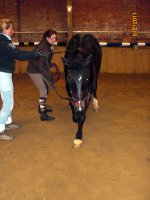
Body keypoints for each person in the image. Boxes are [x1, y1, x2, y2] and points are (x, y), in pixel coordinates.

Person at [0, 18, 47, 141]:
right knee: (8, 104)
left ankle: (8, 122)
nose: (13, 31)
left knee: (8, 101)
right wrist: (36, 54)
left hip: (4, 74)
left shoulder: (4, 41)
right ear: (5, 29)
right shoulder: (4, 43)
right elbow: (19, 55)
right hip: (3, 75)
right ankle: (0, 130)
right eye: (11, 29)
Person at [27, 29, 57, 121]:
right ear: (47, 38)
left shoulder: (48, 45)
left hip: (39, 68)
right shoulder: (44, 47)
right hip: (34, 70)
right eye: (52, 38)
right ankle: (43, 115)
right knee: (43, 89)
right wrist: (49, 77)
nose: (54, 40)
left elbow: (44, 62)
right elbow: (42, 66)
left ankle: (41, 107)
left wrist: (50, 65)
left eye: (55, 38)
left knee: (46, 87)